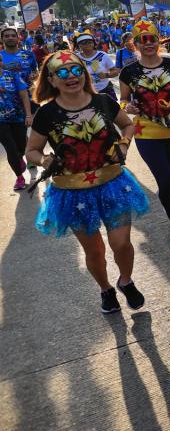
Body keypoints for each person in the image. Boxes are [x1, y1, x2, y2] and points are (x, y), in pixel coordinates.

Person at [27, 50, 148, 313]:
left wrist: (124, 145)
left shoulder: (103, 101)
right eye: (62, 72)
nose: (71, 77)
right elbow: (31, 151)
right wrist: (46, 161)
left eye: (76, 70)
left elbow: (127, 125)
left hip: (113, 184)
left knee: (122, 244)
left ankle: (126, 281)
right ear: (51, 79)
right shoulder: (46, 113)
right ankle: (106, 290)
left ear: (84, 72)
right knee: (95, 252)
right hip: (73, 194)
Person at [119, 19, 170, 246]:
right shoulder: (129, 71)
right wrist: (127, 107)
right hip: (147, 132)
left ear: (158, 40)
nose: (148, 44)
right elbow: (123, 99)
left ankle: (164, 196)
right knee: (165, 179)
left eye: (152, 39)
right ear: (135, 45)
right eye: (142, 41)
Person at [0, 42, 32, 191]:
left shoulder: (11, 74)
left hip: (18, 116)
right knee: (10, 148)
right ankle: (19, 177)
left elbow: (24, 95)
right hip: (1, 121)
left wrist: (28, 114)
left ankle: (20, 157)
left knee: (20, 146)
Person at [73, 31, 118, 102]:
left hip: (105, 89)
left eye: (90, 42)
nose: (87, 44)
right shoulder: (76, 58)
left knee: (112, 111)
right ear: (79, 45)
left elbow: (115, 71)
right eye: (84, 43)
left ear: (94, 43)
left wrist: (107, 75)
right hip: (86, 91)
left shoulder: (103, 55)